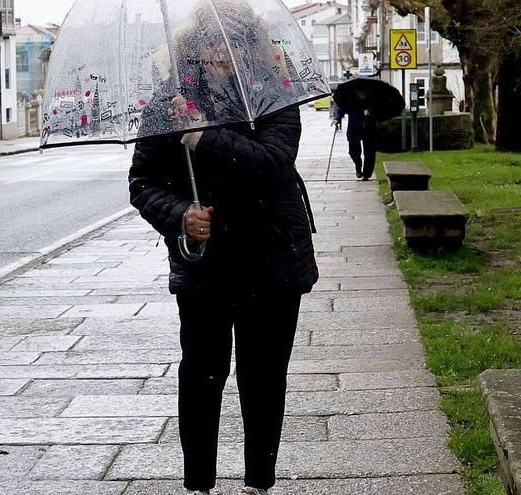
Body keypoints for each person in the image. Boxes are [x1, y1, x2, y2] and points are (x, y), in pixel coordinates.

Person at [128, 5, 318, 495]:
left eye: (230, 42)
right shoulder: (169, 101)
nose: (219, 51)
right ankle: (198, 486)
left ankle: (259, 482)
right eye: (209, 41)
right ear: (194, 45)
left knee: (263, 376)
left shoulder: (273, 95)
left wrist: (200, 137)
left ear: (247, 46)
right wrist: (179, 216)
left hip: (271, 259)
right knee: (201, 375)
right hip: (204, 265)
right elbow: (143, 181)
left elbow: (272, 165)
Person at [333, 89, 377, 181]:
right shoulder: (351, 100)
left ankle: (366, 174)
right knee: (353, 152)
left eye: (364, 91)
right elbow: (341, 109)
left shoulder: (373, 99)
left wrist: (371, 112)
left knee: (369, 153)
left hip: (369, 129)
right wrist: (337, 119)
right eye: (360, 91)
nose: (362, 93)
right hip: (354, 129)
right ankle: (358, 166)